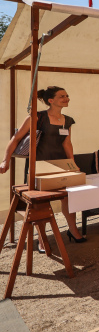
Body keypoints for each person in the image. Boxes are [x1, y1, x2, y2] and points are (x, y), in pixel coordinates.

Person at [0, 86, 86, 246]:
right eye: (62, 96)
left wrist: (72, 163)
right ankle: (41, 239)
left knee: (68, 199)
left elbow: (67, 143)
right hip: (38, 166)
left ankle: (73, 230)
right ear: (51, 100)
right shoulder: (36, 117)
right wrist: (6, 160)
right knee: (41, 204)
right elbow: (16, 138)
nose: (66, 98)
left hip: (59, 165)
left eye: (67, 95)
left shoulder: (68, 120)